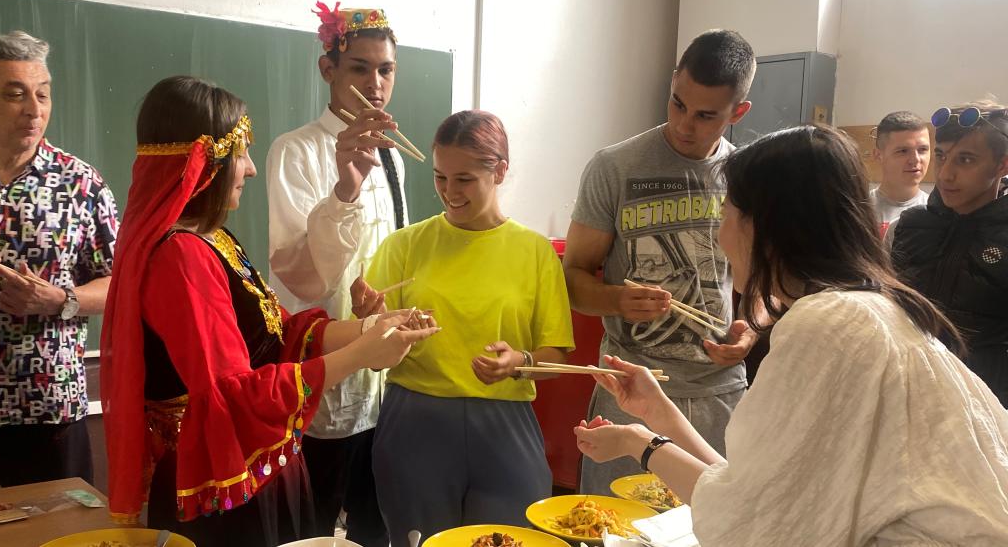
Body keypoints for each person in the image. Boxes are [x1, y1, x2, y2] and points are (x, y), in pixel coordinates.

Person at [574, 124, 1008, 546]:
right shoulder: (866, 305)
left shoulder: (825, 325)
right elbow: (755, 494)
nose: (721, 238)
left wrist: (639, 441)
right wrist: (657, 412)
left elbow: (749, 525)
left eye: (726, 215)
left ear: (763, 227)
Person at [100, 76, 437, 547]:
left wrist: (369, 326)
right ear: (206, 162)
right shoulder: (181, 256)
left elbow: (278, 334)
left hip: (250, 464)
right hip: (224, 482)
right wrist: (362, 354)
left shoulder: (210, 238)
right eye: (240, 153)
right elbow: (232, 393)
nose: (251, 169)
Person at [563, 29, 757, 495]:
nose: (684, 124)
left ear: (738, 112)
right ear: (672, 83)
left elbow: (762, 286)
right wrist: (616, 300)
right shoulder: (615, 167)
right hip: (630, 386)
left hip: (719, 393)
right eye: (677, 103)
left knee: (717, 522)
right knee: (613, 523)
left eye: (706, 115)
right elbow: (571, 279)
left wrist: (750, 328)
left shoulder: (748, 176)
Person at [365, 111, 575, 540]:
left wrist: (519, 362)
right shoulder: (403, 246)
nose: (449, 192)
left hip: (505, 424)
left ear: (500, 171)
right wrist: (372, 326)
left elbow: (556, 355)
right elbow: (373, 356)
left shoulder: (535, 252)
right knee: (419, 541)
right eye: (440, 177)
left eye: (464, 179)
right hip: (415, 422)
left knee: (511, 538)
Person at [266, 2, 403, 547]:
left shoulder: (392, 154)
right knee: (314, 529)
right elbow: (299, 276)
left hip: (383, 380)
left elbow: (390, 255)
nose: (375, 84)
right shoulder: (295, 151)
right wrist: (345, 189)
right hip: (321, 379)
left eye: (385, 70)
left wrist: (383, 301)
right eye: (359, 68)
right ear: (328, 69)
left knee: (375, 527)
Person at [0, 31, 118, 487]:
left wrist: (60, 300)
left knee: (60, 522)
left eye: (42, 94)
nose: (33, 109)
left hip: (46, 403)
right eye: (14, 94)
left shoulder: (81, 183)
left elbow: (121, 284)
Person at [890, 101, 1008, 406]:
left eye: (965, 160)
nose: (945, 174)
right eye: (941, 156)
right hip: (906, 392)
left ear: (1002, 165)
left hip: (985, 403)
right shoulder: (908, 227)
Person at [870, 110, 931, 237]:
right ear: (878, 155)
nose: (915, 159)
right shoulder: (858, 210)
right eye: (903, 151)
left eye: (922, 149)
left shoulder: (936, 213)